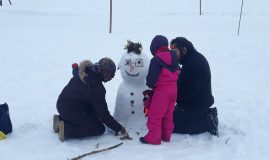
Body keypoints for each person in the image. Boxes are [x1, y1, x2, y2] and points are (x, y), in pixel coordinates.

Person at [53, 58, 129, 142]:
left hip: (63, 104)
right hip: (70, 109)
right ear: (104, 71)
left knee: (95, 117)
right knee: (99, 128)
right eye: (111, 74)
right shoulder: (96, 87)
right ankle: (65, 129)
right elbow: (104, 115)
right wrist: (119, 128)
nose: (113, 77)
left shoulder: (86, 72)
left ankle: (60, 120)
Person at [170, 37, 219, 136]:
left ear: (183, 50)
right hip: (198, 101)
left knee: (171, 125)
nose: (173, 56)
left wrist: (181, 104)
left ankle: (207, 121)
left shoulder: (192, 65)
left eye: (175, 53)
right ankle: (206, 113)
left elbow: (190, 92)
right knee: (170, 116)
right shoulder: (194, 58)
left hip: (196, 104)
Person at [140, 35, 180, 145]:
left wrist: (151, 86)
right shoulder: (174, 57)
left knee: (155, 115)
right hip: (174, 90)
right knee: (168, 115)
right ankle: (166, 135)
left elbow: (151, 80)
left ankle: (153, 138)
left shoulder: (156, 60)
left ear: (154, 47)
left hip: (162, 92)